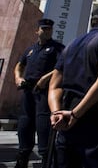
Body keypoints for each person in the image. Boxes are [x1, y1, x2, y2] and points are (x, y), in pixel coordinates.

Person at [48, 6, 98, 167]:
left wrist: (56, 113)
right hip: (94, 120)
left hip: (66, 121)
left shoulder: (71, 45)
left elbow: (54, 85)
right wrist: (76, 114)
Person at [14, 18, 65, 168]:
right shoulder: (30, 49)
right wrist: (18, 77)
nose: (47, 31)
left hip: (44, 92)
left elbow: (61, 66)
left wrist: (45, 78)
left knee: (43, 125)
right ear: (37, 31)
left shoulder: (57, 48)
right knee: (24, 124)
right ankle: (22, 157)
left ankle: (46, 159)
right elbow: (19, 64)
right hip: (28, 91)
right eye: (44, 28)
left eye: (49, 29)